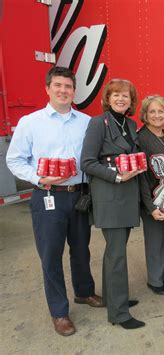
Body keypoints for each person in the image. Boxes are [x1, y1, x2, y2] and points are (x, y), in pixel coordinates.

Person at [6, 66, 103, 336]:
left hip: (79, 196)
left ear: (74, 91)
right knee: (50, 255)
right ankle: (59, 312)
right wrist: (39, 179)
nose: (63, 91)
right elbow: (15, 160)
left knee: (81, 249)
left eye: (68, 87)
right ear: (47, 88)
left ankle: (84, 293)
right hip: (47, 197)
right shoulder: (31, 122)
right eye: (58, 85)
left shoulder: (86, 122)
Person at [81, 79, 146, 330]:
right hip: (110, 194)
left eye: (126, 96)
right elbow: (87, 162)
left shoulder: (130, 123)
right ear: (107, 99)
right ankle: (119, 314)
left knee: (115, 252)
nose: (121, 99)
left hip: (128, 194)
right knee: (117, 254)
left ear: (131, 101)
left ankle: (113, 298)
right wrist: (116, 176)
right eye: (116, 95)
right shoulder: (98, 123)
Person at [137, 95, 164, 296]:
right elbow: (141, 178)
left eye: (160, 111)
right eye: (152, 111)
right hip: (154, 198)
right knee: (155, 241)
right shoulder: (141, 138)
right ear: (145, 115)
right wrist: (150, 207)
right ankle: (155, 279)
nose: (156, 115)